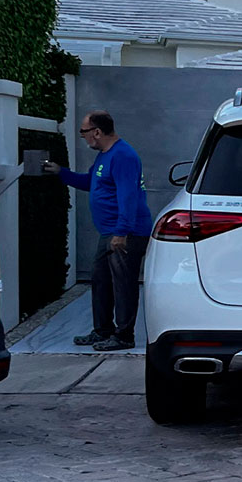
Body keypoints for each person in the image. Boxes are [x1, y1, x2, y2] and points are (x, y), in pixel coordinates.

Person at [43, 111, 152, 351]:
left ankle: (124, 336)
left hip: (127, 233)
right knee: (101, 281)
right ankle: (103, 331)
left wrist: (121, 232)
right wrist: (61, 172)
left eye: (84, 132)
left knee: (123, 284)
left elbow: (128, 196)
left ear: (97, 132)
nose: (83, 137)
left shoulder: (123, 156)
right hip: (111, 232)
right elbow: (89, 183)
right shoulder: (105, 156)